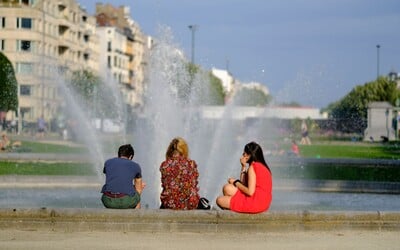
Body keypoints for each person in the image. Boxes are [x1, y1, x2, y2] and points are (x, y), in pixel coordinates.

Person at [216, 141, 272, 214]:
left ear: (249, 155)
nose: (243, 154)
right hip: (263, 202)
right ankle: (235, 208)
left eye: (244, 152)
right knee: (227, 188)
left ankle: (235, 213)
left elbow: (250, 192)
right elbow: (244, 185)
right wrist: (243, 166)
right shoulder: (263, 167)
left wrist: (235, 182)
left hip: (255, 203)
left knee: (219, 200)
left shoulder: (253, 167)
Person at [160, 137, 200, 210]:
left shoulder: (164, 165)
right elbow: (194, 185)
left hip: (170, 203)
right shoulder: (191, 164)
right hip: (190, 203)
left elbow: (165, 185)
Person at [101, 144, 145, 209]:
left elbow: (113, 177)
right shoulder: (135, 166)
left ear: (118, 154)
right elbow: (138, 185)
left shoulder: (108, 162)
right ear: (131, 156)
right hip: (125, 201)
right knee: (138, 191)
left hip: (107, 200)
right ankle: (136, 216)